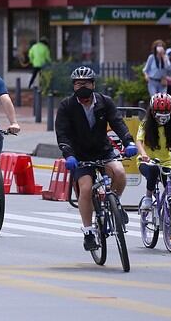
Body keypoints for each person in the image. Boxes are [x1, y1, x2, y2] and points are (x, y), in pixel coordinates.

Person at [56, 66, 138, 252]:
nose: (82, 87)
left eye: (85, 83)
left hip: (103, 151)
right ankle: (88, 232)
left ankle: (114, 205)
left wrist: (129, 143)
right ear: (73, 86)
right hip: (79, 156)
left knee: (119, 173)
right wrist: (68, 155)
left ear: (93, 84)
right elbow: (62, 134)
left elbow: (118, 123)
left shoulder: (104, 102)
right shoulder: (66, 106)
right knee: (85, 188)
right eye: (78, 84)